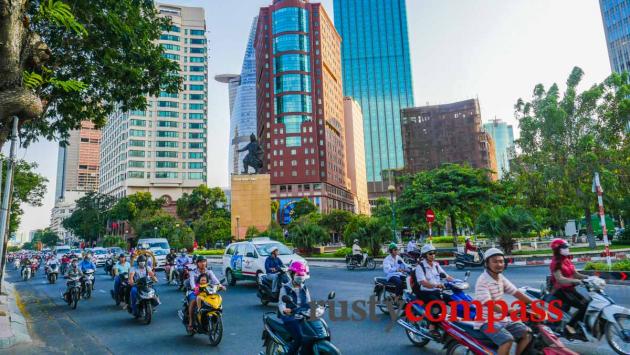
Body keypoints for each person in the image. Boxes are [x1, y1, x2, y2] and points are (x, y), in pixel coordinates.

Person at [474, 248, 533, 355]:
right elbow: (489, 303)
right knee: (507, 340)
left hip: (502, 319)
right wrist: (508, 311)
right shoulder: (482, 280)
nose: (499, 264)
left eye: (501, 261)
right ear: (487, 263)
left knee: (527, 333)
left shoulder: (500, 277)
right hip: (486, 321)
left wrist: (534, 304)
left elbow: (516, 292)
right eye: (495, 261)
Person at [549, 238, 589, 338]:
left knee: (587, 303)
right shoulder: (555, 263)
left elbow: (575, 273)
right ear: (557, 249)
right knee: (583, 306)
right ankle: (570, 326)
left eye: (567, 247)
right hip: (561, 291)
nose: (567, 249)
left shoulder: (566, 259)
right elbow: (560, 279)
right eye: (564, 247)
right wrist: (576, 281)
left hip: (569, 289)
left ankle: (578, 324)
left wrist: (588, 278)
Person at [413, 244, 454, 338]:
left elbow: (446, 276)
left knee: (454, 300)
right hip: (425, 292)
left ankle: (450, 323)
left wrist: (457, 282)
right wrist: (436, 285)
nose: (433, 255)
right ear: (424, 255)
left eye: (434, 253)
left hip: (436, 291)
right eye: (430, 253)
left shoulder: (436, 265)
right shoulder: (420, 267)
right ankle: (432, 328)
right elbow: (423, 282)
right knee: (439, 304)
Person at [278, 261, 311, 355]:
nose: (300, 276)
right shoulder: (285, 288)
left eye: (301, 274)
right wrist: (284, 310)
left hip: (302, 314)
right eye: (298, 274)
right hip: (290, 316)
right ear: (292, 274)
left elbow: (308, 302)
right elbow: (281, 303)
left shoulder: (304, 287)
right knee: (299, 337)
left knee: (312, 335)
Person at [186, 256, 223, 331]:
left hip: (207, 291)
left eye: (204, 261)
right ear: (197, 263)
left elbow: (216, 281)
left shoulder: (209, 272)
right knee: (193, 301)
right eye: (200, 262)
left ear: (206, 263)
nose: (203, 263)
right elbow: (192, 283)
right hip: (195, 291)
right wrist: (194, 287)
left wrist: (220, 286)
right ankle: (190, 322)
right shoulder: (193, 272)